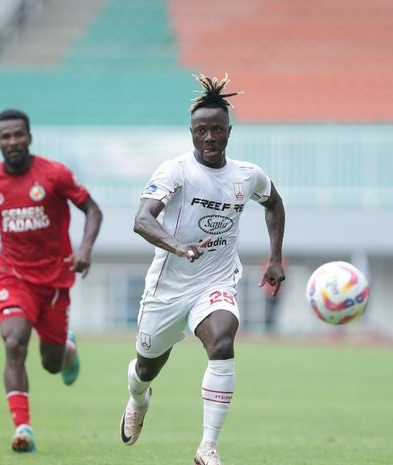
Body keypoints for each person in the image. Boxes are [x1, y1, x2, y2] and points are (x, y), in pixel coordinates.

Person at [120, 74, 285, 465]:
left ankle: (207, 447)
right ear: (191, 133)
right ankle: (138, 399)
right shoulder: (174, 171)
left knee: (223, 342)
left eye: (216, 130)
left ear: (229, 131)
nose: (209, 138)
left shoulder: (247, 176)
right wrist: (178, 247)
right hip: (168, 289)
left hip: (216, 280)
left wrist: (275, 256)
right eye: (201, 131)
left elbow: (274, 203)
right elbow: (142, 219)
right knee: (146, 367)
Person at [0, 109, 103, 453]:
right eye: (6, 136)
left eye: (18, 135)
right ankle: (23, 428)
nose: (13, 141)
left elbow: (93, 210)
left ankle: (67, 350)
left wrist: (85, 247)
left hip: (55, 280)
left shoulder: (54, 175)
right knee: (13, 343)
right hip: (14, 275)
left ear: (29, 137)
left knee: (51, 364)